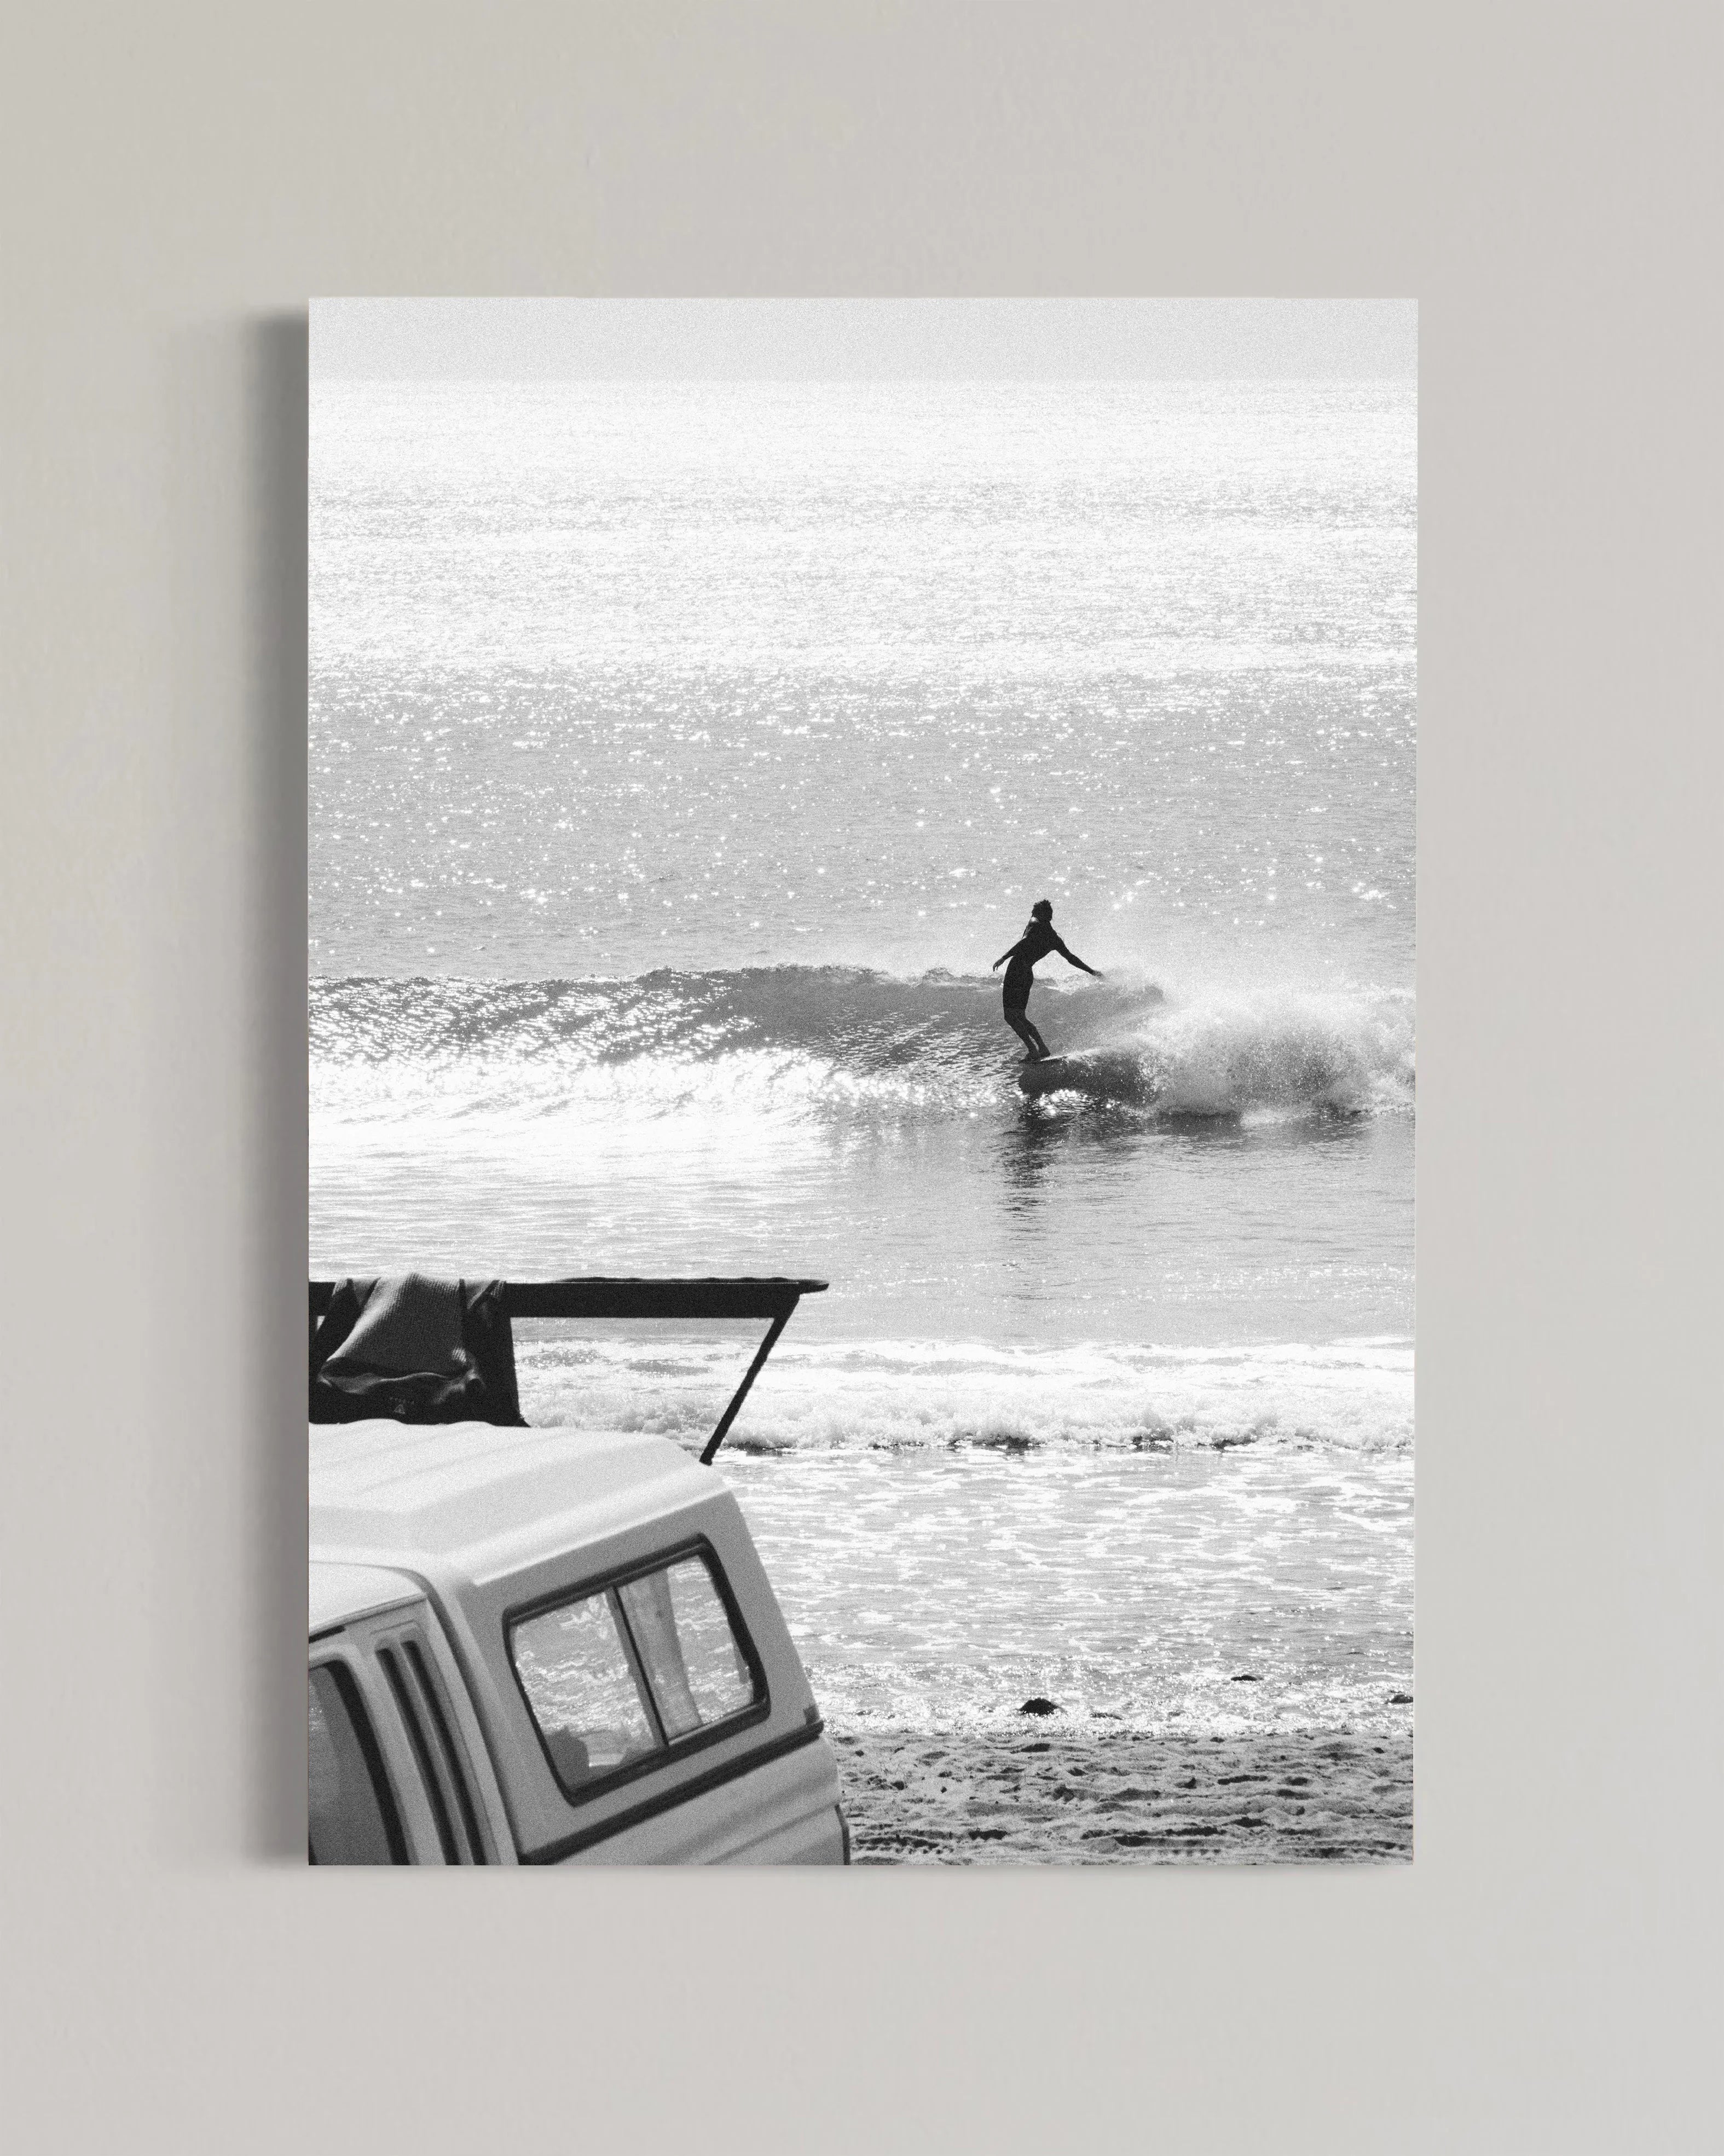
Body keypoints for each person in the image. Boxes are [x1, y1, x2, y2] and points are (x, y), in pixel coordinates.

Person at [991, 899, 1102, 1060]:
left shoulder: (1034, 923)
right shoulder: (1054, 938)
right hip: (1027, 974)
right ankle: (1042, 1048)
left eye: (1034, 912)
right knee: (1020, 1016)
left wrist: (1004, 957)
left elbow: (1024, 942)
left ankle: (1033, 1050)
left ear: (1039, 914)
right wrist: (1091, 971)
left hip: (1016, 971)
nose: (1031, 914)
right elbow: (1071, 958)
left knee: (1010, 1016)